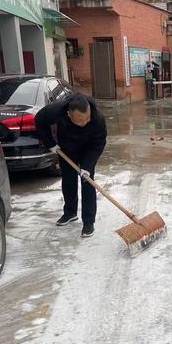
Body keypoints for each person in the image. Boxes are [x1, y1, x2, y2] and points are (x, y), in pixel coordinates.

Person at [36, 93, 107, 238]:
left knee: (87, 181)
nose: (85, 123)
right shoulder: (56, 111)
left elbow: (99, 143)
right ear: (69, 114)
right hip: (67, 150)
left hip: (88, 149)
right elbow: (39, 120)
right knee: (68, 180)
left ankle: (88, 222)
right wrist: (50, 144)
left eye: (87, 118)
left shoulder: (97, 118)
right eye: (80, 121)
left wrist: (87, 166)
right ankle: (70, 213)